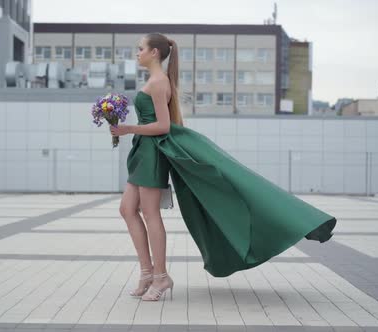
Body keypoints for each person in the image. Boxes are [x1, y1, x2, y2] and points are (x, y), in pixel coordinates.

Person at [110, 33, 336, 302]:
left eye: (140, 49)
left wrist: (128, 128)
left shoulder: (159, 82)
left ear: (155, 53)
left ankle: (160, 276)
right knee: (127, 209)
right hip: (142, 151)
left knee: (150, 214)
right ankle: (147, 273)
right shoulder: (154, 80)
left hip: (152, 153)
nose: (137, 53)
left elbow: (164, 126)